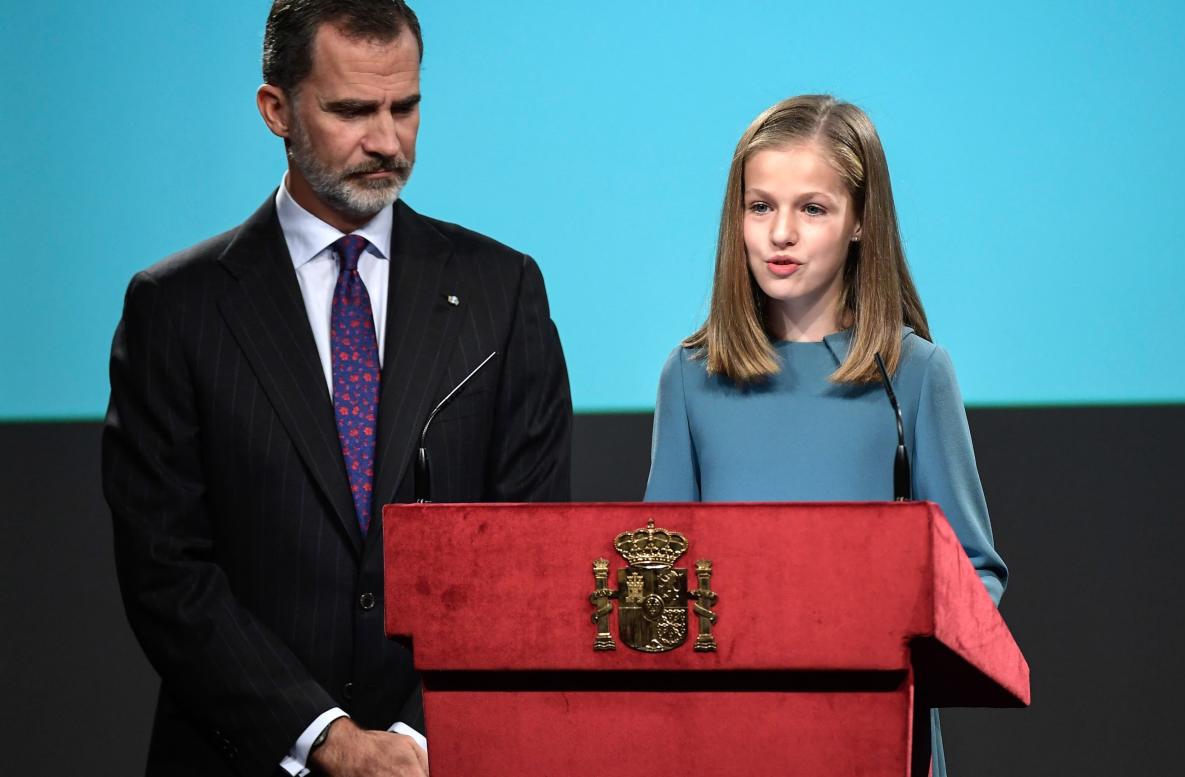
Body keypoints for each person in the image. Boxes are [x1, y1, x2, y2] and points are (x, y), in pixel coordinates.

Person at [101, 2, 571, 775]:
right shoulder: (175, 307)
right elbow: (165, 569)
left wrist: (421, 739)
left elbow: (530, 545)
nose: (387, 140)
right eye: (352, 110)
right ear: (276, 109)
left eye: (406, 106)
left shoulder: (503, 290)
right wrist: (325, 736)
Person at [644, 94, 1007, 776]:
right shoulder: (690, 376)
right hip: (727, 741)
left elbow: (974, 577)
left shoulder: (916, 372)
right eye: (761, 207)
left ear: (861, 220)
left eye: (812, 208)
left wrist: (892, 656)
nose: (781, 233)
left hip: (874, 740)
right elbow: (660, 577)